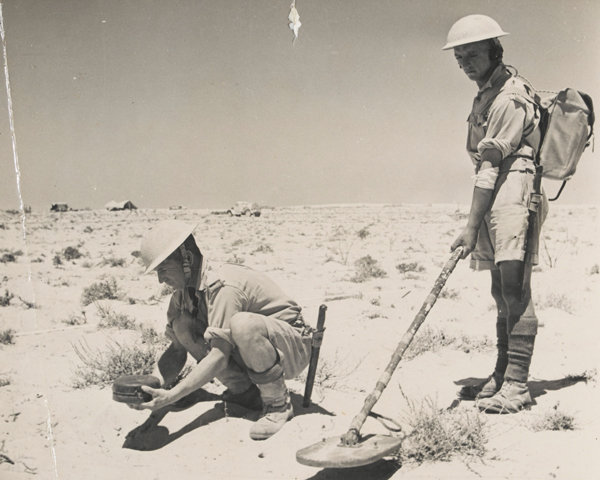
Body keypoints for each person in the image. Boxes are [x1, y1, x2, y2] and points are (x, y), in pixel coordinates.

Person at [442, 15, 548, 413]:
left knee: (515, 290)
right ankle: (503, 375)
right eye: (459, 57)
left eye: (472, 54)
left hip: (514, 189)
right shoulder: (486, 92)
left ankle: (518, 387)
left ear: (493, 51)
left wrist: (469, 228)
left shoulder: (507, 96)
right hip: (497, 190)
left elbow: (489, 165)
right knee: (499, 290)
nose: (465, 63)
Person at [134, 220, 313, 440]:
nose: (161, 279)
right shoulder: (182, 294)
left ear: (187, 260)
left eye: (163, 269)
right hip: (254, 351)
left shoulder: (223, 285)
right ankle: (245, 393)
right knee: (182, 324)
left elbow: (219, 356)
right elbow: (176, 350)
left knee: (242, 325)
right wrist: (152, 387)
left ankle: (277, 405)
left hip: (293, 347)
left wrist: (172, 396)